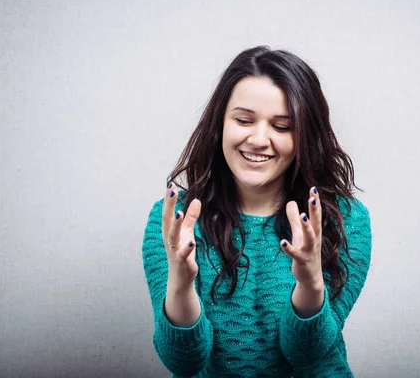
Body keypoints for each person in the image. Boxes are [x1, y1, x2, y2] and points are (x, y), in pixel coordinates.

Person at [142, 46, 372, 377]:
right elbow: (183, 362)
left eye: (281, 126)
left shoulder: (344, 221)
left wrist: (310, 284)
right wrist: (180, 283)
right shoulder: (174, 221)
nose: (259, 139)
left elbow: (307, 355)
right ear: (219, 123)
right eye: (244, 120)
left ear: (306, 136)